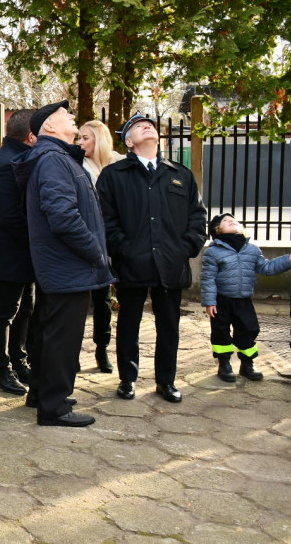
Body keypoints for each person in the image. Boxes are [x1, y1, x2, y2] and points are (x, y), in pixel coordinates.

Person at [13, 101, 113, 427]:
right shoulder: (54, 160)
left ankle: (43, 394)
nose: (73, 117)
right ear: (50, 128)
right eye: (65, 116)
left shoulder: (55, 158)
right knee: (62, 338)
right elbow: (63, 216)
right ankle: (54, 408)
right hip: (68, 265)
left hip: (62, 265)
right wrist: (95, 252)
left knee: (48, 332)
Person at [96, 113, 206, 403]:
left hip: (171, 265)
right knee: (129, 323)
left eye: (151, 125)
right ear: (129, 142)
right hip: (132, 264)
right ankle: (127, 379)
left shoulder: (180, 174)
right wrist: (126, 250)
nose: (148, 126)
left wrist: (185, 249)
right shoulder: (114, 175)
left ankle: (166, 381)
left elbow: (197, 219)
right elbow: (105, 221)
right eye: (137, 126)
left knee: (169, 325)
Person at [0, 109, 36, 396]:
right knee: (4, 313)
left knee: (24, 309)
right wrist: (35, 239)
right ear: (30, 135)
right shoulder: (7, 162)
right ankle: (2, 370)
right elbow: (4, 214)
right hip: (11, 254)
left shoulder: (16, 156)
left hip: (21, 253)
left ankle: (19, 359)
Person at [201, 213, 291, 382]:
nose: (231, 220)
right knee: (220, 332)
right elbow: (208, 278)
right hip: (221, 301)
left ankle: (247, 364)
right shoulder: (213, 252)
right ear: (217, 230)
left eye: (233, 219)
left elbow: (267, 267)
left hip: (243, 300)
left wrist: (288, 259)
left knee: (249, 330)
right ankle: (224, 364)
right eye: (225, 221)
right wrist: (209, 301)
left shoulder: (251, 249)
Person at [78, 120, 123, 374]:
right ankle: (73, 352)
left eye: (86, 138)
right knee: (80, 300)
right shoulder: (77, 165)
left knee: (103, 301)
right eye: (79, 138)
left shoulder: (117, 163)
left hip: (109, 240)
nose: (80, 143)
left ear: (100, 139)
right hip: (85, 239)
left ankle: (101, 349)